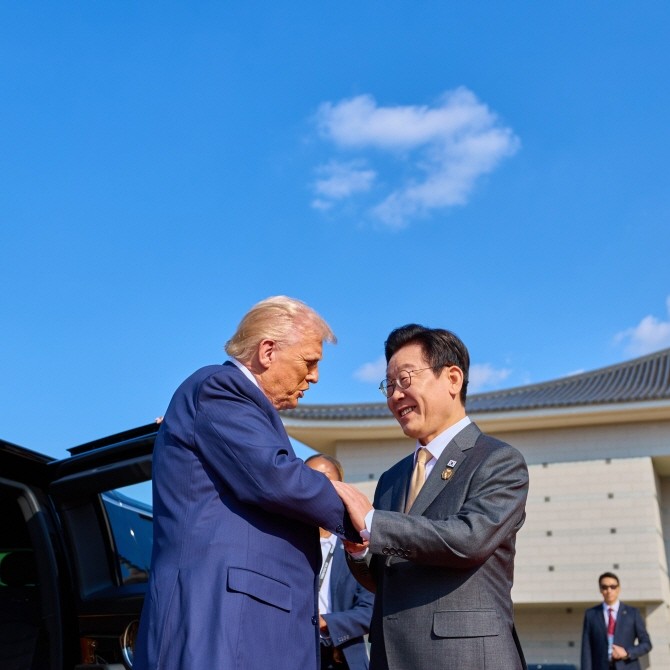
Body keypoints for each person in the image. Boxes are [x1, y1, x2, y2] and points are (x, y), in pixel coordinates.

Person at [135, 296, 360, 670]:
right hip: (219, 628)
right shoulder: (220, 387)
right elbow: (276, 477)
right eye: (309, 361)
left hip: (249, 630)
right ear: (268, 351)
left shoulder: (239, 404)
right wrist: (361, 514)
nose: (315, 376)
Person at [332, 324, 529, 670]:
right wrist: (360, 550)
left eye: (405, 379)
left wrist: (374, 522)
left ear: (452, 379)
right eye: (389, 385)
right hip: (391, 656)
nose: (395, 396)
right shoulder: (392, 479)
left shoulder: (497, 460)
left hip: (465, 658)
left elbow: (469, 539)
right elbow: (385, 576)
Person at [305, 454, 374, 670]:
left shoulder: (357, 544)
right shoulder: (286, 545)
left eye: (326, 479)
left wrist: (327, 622)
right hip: (297, 652)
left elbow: (371, 609)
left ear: (341, 487)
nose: (318, 486)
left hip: (342, 658)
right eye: (309, 478)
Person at [580, 571, 652, 670]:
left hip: (627, 666)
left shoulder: (632, 613)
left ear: (618, 589)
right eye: (604, 587)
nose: (609, 590)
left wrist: (627, 652)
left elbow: (646, 644)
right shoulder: (591, 614)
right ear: (600, 589)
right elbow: (586, 649)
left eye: (613, 586)